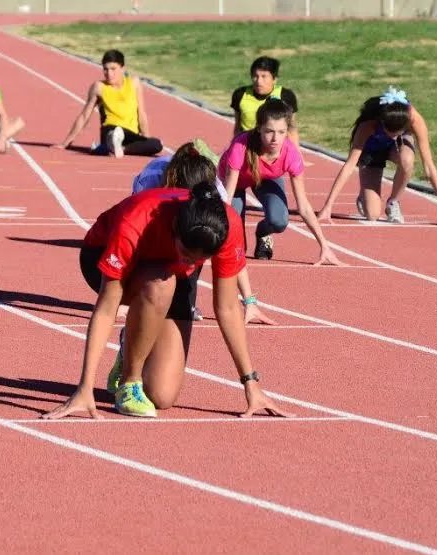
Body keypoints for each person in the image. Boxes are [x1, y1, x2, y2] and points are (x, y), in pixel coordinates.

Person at [42, 183, 291, 420]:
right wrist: (84, 387)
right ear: (174, 227)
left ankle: (132, 340)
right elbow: (107, 309)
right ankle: (130, 382)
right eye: (185, 254)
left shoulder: (226, 226)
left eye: (198, 261)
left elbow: (226, 307)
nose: (190, 263)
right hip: (102, 256)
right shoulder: (136, 221)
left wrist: (251, 383)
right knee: (162, 283)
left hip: (168, 274)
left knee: (162, 396)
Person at [131, 139, 277, 326]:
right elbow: (137, 237)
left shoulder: (218, 197)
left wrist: (249, 301)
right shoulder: (150, 182)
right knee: (153, 286)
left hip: (189, 220)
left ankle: (182, 303)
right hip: (156, 212)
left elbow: (234, 252)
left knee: (182, 308)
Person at [219, 98, 341, 264]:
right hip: (236, 182)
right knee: (237, 245)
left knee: (279, 221)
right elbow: (227, 199)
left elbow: (303, 206)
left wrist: (324, 245)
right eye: (269, 131)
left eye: (282, 132)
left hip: (267, 178)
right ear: (259, 128)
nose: (275, 138)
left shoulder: (291, 154)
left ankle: (263, 232)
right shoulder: (241, 146)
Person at [317, 86, 437, 225]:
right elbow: (348, 166)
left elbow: (429, 166)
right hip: (372, 151)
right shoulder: (368, 126)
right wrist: (328, 206)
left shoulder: (415, 120)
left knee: (407, 160)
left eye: (397, 134)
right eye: (388, 133)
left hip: (397, 149)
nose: (392, 137)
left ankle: (393, 202)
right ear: (381, 122)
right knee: (372, 214)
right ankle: (364, 195)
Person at [53, 49, 162, 158]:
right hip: (110, 130)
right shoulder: (99, 87)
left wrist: (146, 140)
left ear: (122, 68)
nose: (109, 74)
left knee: (157, 145)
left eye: (113, 69)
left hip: (130, 134)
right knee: (115, 133)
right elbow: (84, 115)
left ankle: (118, 148)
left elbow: (141, 113)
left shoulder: (134, 83)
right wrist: (66, 142)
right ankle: (111, 145)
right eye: (105, 69)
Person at [231, 56, 299, 146]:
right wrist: (234, 146)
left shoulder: (286, 96)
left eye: (264, 76)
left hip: (275, 146)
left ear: (274, 79)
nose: (259, 81)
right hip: (248, 145)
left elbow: (291, 128)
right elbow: (238, 127)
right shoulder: (240, 95)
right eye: (255, 76)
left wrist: (297, 154)